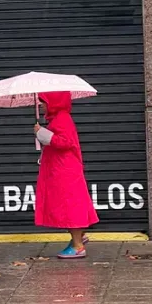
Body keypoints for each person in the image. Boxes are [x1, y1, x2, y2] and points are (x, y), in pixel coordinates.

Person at [33, 91, 99, 259]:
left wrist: (42, 134)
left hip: (65, 171)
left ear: (54, 101)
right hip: (63, 170)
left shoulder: (62, 119)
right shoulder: (59, 118)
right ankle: (78, 238)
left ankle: (78, 245)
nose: (41, 104)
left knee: (70, 206)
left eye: (44, 101)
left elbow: (65, 142)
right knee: (70, 205)